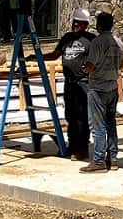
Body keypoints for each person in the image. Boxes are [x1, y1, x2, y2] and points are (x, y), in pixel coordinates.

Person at [36, 9, 95, 161]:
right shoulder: (67, 38)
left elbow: (99, 59)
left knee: (82, 117)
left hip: (83, 84)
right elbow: (55, 55)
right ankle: (72, 145)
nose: (75, 25)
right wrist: (37, 57)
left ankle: (82, 149)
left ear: (86, 25)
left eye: (79, 23)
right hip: (69, 84)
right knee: (71, 116)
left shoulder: (91, 40)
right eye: (74, 22)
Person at [80, 11, 123, 174]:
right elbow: (120, 66)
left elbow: (91, 65)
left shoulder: (97, 42)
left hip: (98, 88)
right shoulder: (119, 43)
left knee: (98, 126)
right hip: (112, 87)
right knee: (111, 123)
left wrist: (84, 68)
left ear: (98, 25)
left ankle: (98, 160)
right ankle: (112, 158)